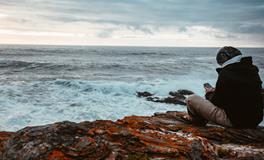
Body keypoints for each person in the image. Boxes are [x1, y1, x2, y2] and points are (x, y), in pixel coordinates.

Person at [186, 46, 263, 128]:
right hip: (255, 121)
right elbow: (240, 92)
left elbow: (216, 102)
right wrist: (218, 91)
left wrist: (209, 93)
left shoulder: (226, 73)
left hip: (236, 122)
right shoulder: (252, 70)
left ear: (224, 58)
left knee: (191, 99)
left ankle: (198, 123)